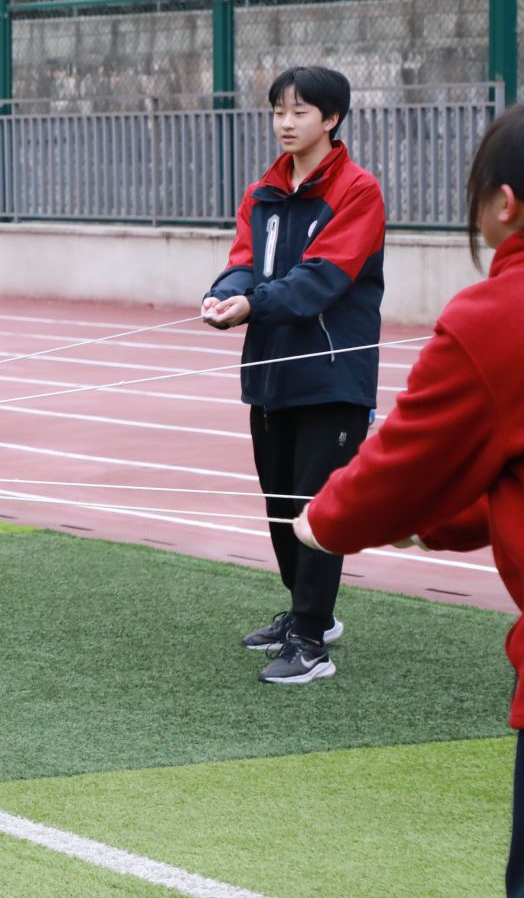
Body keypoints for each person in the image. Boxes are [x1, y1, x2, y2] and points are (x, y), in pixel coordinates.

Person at [292, 99, 524, 895]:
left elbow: (402, 467)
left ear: (504, 203)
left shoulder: (497, 316)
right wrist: (437, 523)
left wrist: (325, 521)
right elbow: (513, 471)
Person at [201, 65, 384, 685]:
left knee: (318, 508)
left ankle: (311, 640)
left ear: (331, 119)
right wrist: (222, 295)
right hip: (271, 374)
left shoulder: (358, 190)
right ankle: (309, 614)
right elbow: (243, 262)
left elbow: (323, 278)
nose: (286, 122)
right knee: (281, 506)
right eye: (279, 110)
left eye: (301, 111)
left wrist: (254, 304)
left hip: (331, 378)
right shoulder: (263, 192)